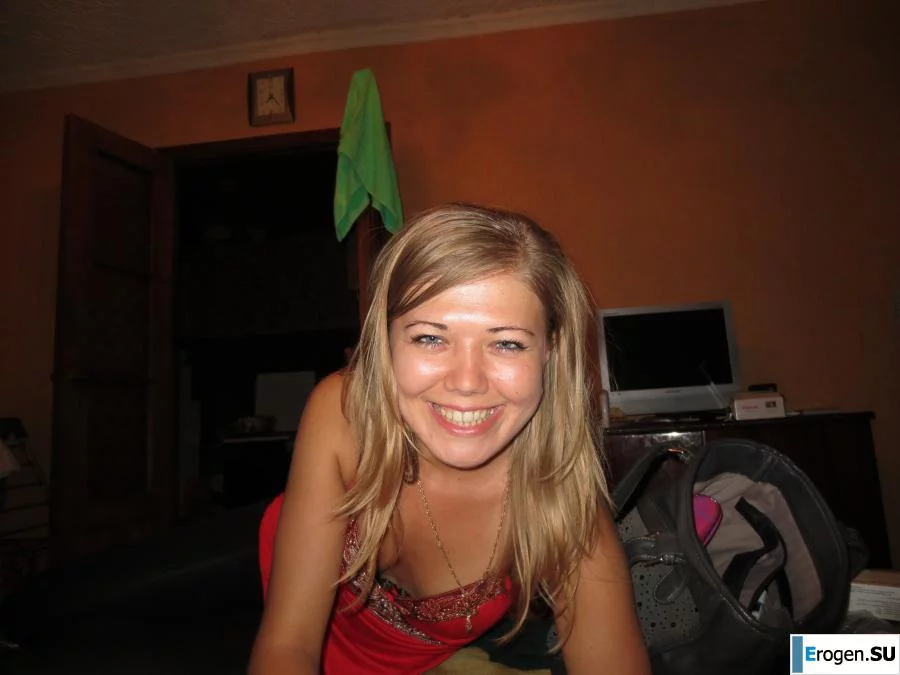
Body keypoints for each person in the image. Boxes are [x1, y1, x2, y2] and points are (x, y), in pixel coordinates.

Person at [247, 203, 650, 675]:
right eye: (430, 338)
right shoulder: (341, 412)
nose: (466, 381)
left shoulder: (558, 495)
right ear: (386, 340)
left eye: (506, 343)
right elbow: (288, 643)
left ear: (550, 350)